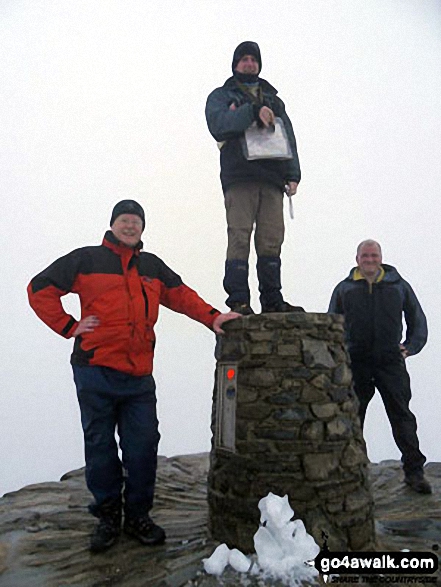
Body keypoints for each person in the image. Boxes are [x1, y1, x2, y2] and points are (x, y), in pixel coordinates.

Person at [27, 200, 240, 552]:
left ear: (142, 227)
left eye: (136, 221)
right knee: (100, 447)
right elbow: (39, 289)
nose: (130, 226)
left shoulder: (151, 266)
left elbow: (181, 296)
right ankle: (108, 517)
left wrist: (213, 317)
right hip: (94, 370)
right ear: (112, 224)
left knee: (142, 447)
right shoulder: (86, 259)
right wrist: (69, 326)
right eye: (124, 220)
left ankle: (138, 516)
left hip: (139, 376)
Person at [205, 41, 302, 315]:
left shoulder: (274, 99)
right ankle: (238, 300)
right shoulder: (221, 96)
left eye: (253, 60)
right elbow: (219, 126)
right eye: (244, 59)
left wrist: (293, 174)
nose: (249, 63)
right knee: (239, 236)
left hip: (272, 179)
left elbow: (288, 137)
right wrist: (252, 112)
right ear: (235, 64)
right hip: (240, 177)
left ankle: (272, 300)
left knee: (271, 239)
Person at [328, 239, 431, 494]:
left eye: (374, 256)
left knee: (402, 417)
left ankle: (414, 473)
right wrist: (339, 355)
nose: (370, 260)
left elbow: (418, 321)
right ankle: (353, 471)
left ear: (381, 258)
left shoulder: (398, 286)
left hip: (390, 362)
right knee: (352, 418)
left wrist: (410, 347)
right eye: (365, 256)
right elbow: (332, 325)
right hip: (357, 362)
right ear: (357, 259)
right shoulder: (344, 289)